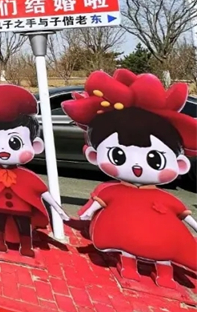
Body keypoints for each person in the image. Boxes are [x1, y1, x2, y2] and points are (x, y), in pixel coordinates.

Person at [62, 69, 197, 288]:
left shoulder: (163, 198)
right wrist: (86, 214)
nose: (136, 166)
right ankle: (129, 266)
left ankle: (164, 274)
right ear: (93, 155)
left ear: (180, 165)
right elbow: (98, 203)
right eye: (119, 155)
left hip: (161, 238)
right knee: (127, 248)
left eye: (154, 159)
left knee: (164, 253)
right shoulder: (112, 191)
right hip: (125, 237)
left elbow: (183, 213)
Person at [0, 72, 70, 257]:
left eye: (15, 142)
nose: (3, 148)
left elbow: (43, 192)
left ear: (35, 146)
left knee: (24, 226)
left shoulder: (27, 177)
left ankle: (26, 246)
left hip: (23, 208)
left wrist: (58, 210)